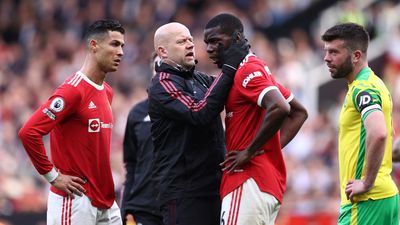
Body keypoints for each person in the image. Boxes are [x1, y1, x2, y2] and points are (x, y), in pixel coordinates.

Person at [203, 13, 308, 225]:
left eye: (216, 41)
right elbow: (298, 113)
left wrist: (250, 151)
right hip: (262, 183)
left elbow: (280, 107)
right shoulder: (256, 68)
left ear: (238, 38)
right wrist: (269, 147)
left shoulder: (246, 70)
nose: (209, 48)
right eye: (207, 43)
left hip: (246, 180)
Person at [18, 19, 125, 225]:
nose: (120, 51)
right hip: (75, 201)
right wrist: (52, 176)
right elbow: (29, 132)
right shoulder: (72, 90)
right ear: (94, 45)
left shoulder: (107, 92)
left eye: (122, 46)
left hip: (105, 200)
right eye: (114, 44)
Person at [148, 22, 249, 225]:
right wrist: (229, 67)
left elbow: (231, 91)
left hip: (214, 186)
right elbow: (199, 112)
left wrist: (247, 63)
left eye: (190, 40)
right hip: (184, 192)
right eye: (181, 41)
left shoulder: (200, 79)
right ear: (162, 51)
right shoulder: (162, 83)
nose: (189, 44)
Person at [322, 22, 399, 225]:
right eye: (326, 51)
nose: (326, 58)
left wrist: (366, 182)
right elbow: (388, 136)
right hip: (384, 197)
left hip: (364, 202)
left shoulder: (362, 89)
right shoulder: (376, 84)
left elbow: (380, 133)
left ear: (356, 55)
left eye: (334, 52)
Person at [120, 52, 162, 225]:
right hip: (143, 207)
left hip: (181, 205)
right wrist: (125, 207)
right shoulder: (137, 113)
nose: (163, 73)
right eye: (158, 68)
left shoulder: (193, 110)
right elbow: (131, 163)